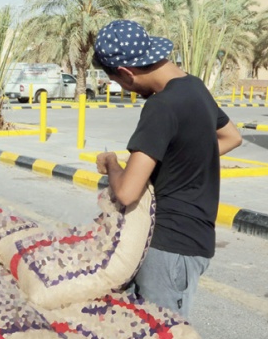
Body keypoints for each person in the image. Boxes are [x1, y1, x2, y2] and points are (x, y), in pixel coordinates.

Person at [92, 20, 242, 319]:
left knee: (160, 337)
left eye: (118, 82)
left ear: (126, 72)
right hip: (194, 240)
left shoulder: (161, 106)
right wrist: (182, 159)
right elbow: (231, 137)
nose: (125, 89)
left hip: (167, 248)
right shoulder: (194, 87)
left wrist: (111, 164)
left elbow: (127, 192)